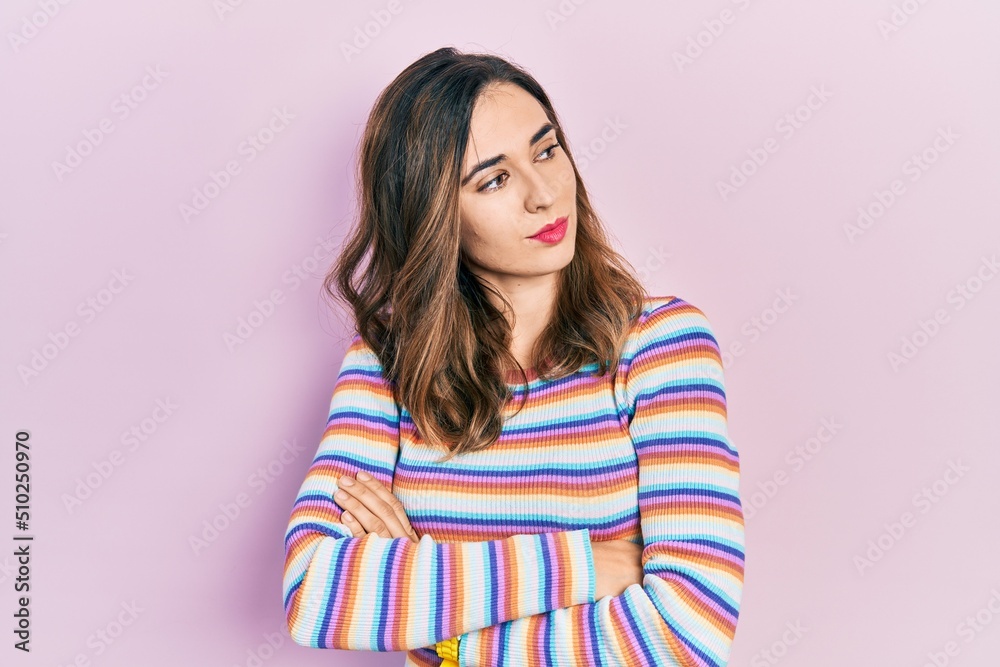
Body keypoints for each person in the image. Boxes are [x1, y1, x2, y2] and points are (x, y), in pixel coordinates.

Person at [281, 46, 746, 667]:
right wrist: (587, 564)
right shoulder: (387, 363)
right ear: (434, 216)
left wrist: (433, 624)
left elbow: (690, 633)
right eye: (494, 178)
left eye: (546, 150)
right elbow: (315, 591)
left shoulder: (662, 344)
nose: (544, 194)